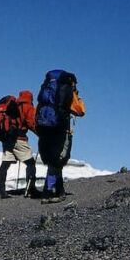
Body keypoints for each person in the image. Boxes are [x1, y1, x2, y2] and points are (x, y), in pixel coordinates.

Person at [35, 70, 86, 201]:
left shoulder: (45, 91)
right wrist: (76, 96)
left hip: (44, 127)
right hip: (60, 128)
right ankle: (49, 192)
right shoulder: (67, 89)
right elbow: (80, 110)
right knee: (58, 158)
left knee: (54, 160)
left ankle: (59, 190)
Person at [0, 90, 38, 199]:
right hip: (19, 139)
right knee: (30, 163)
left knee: (5, 164)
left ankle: (1, 190)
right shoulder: (26, 106)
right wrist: (40, 133)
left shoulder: (13, 105)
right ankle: (31, 188)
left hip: (7, 139)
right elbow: (31, 122)